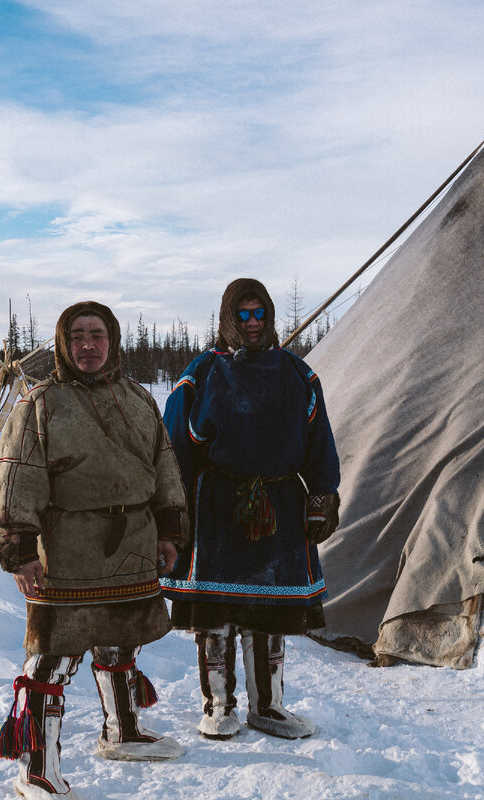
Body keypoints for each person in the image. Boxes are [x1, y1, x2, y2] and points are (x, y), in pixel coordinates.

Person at [0, 300, 187, 800]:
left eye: (97, 334)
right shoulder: (39, 402)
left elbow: (164, 467)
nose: (87, 345)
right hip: (67, 550)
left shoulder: (138, 398)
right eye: (77, 335)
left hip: (134, 544)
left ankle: (122, 732)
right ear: (63, 342)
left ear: (112, 341)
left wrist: (169, 529)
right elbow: (18, 477)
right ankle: (36, 768)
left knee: (121, 640)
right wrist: (20, 547)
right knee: (53, 657)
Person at [160, 277, 340, 741]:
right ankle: (218, 705)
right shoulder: (203, 372)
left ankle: (269, 706)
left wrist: (322, 496)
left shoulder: (298, 374)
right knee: (216, 610)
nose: (253, 323)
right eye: (243, 314)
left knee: (268, 607)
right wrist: (172, 509)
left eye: (259, 313)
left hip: (279, 502)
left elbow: (319, 441)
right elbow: (174, 443)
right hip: (216, 503)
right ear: (227, 318)